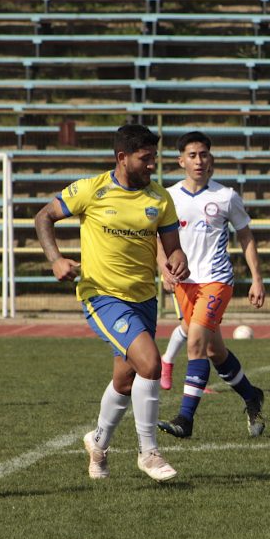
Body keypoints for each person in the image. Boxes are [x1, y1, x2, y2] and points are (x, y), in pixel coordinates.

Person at [34, 123, 189, 482]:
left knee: (125, 378)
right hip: (102, 296)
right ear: (122, 157)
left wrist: (178, 260)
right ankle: (148, 452)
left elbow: (173, 248)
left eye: (154, 157)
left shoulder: (159, 198)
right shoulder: (91, 189)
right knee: (150, 363)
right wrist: (55, 259)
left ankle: (98, 443)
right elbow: (44, 217)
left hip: (144, 298)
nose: (152, 165)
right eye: (145, 158)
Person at [153, 131, 267, 440]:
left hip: (216, 281)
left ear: (211, 158)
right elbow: (157, 237)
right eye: (192, 155)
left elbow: (245, 236)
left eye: (204, 154)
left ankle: (185, 419)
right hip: (185, 283)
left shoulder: (226, 196)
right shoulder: (168, 196)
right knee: (215, 350)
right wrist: (163, 268)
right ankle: (252, 397)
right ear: (181, 161)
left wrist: (257, 279)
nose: (199, 160)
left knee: (195, 344)